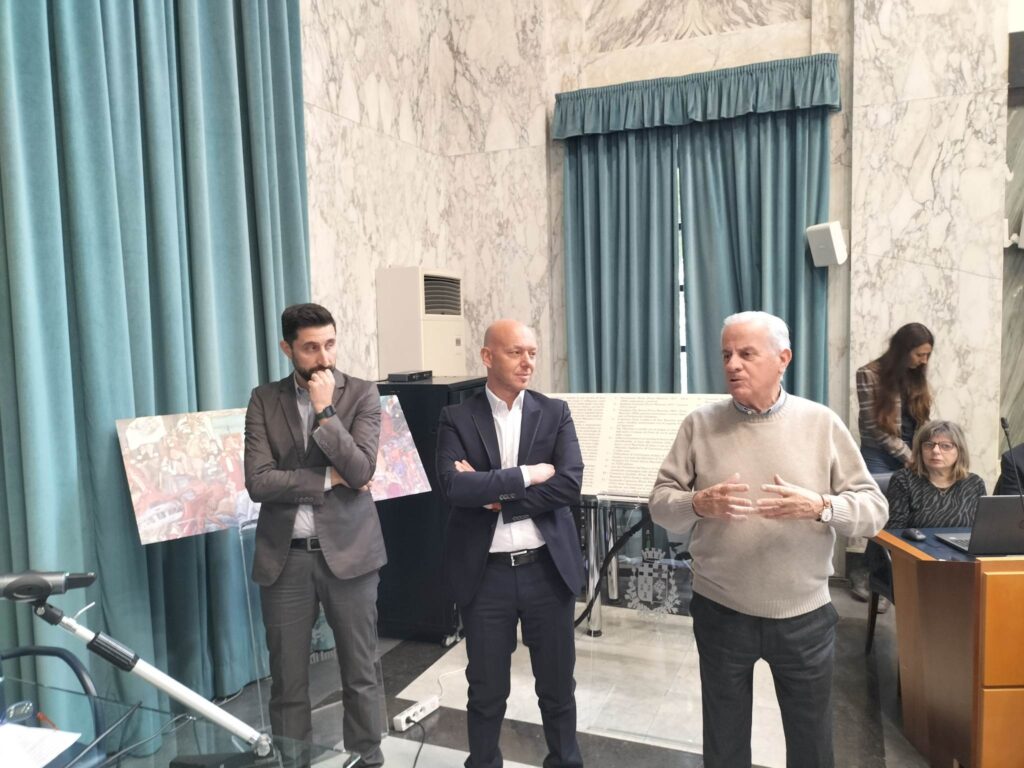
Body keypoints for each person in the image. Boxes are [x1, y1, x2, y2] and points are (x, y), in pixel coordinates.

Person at [649, 311, 888, 768]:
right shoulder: (699, 424)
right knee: (724, 746)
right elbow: (660, 504)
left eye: (746, 354)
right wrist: (698, 504)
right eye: (726, 354)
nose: (732, 365)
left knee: (811, 746)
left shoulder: (821, 424)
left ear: (783, 359)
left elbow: (875, 512)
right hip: (720, 610)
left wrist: (821, 506)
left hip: (803, 616)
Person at [436, 319, 585, 768]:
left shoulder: (554, 412)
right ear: (487, 356)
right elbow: (453, 487)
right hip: (487, 576)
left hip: (546, 570)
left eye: (532, 353)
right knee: (486, 691)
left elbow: (569, 485)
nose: (527, 363)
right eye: (516, 352)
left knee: (557, 689)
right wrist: (525, 476)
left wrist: (499, 499)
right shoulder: (456, 417)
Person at [245, 303, 386, 765]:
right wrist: (328, 478)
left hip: (351, 554)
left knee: (361, 674)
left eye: (329, 344)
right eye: (310, 348)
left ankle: (367, 759)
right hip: (284, 558)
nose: (323, 358)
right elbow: (258, 482)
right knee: (288, 682)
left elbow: (361, 469)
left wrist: (326, 411)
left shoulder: (362, 394)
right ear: (287, 348)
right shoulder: (264, 399)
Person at [855, 322, 934, 473]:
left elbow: (923, 419)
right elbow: (873, 427)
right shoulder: (868, 374)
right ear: (902, 352)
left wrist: (923, 453)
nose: (924, 361)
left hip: (912, 453)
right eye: (919, 355)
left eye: (927, 355)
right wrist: (909, 457)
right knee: (880, 489)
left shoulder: (916, 374)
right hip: (878, 455)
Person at [885, 420, 986, 530]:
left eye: (946, 446)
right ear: (920, 450)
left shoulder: (974, 483)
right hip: (914, 542)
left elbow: (983, 529)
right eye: (929, 445)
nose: (935, 451)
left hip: (963, 542)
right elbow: (894, 531)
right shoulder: (903, 480)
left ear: (960, 451)